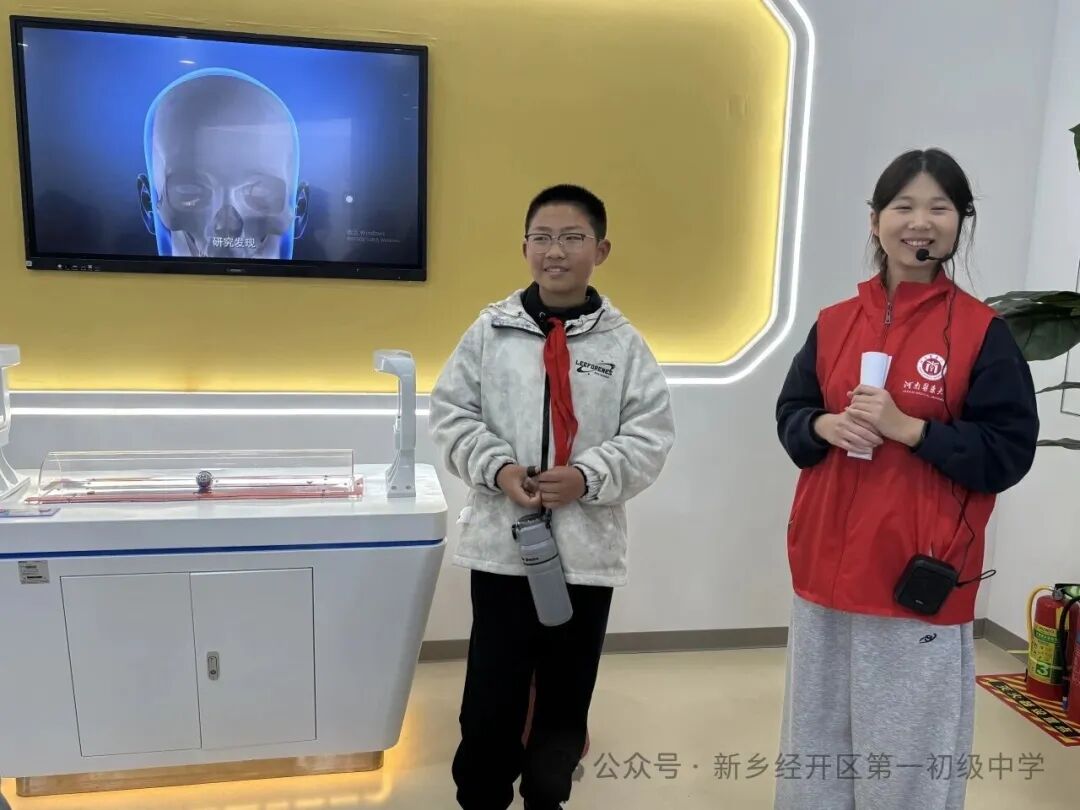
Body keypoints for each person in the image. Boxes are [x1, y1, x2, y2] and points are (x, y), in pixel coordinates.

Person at [774, 148, 1039, 810]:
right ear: (875, 220)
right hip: (824, 575)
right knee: (815, 758)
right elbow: (791, 416)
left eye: (939, 208)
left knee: (905, 768)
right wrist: (823, 426)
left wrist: (912, 429)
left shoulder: (983, 333)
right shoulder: (834, 323)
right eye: (903, 206)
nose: (920, 222)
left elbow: (1008, 452)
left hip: (916, 580)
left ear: (960, 222)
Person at [429, 184, 675, 809]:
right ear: (525, 248)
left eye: (571, 238)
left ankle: (547, 796)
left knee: (565, 696)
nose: (555, 252)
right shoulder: (490, 332)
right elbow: (452, 415)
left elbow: (650, 435)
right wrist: (499, 468)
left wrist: (588, 477)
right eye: (542, 238)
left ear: (601, 249)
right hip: (503, 549)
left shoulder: (623, 345)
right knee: (492, 694)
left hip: (585, 555)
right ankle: (481, 796)